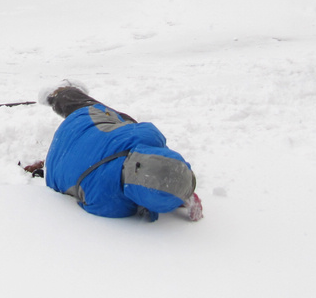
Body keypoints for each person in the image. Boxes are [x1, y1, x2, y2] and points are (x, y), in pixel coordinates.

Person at [38, 84, 202, 222]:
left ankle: (61, 95)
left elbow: (149, 136)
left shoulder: (148, 136)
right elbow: (137, 199)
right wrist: (167, 197)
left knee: (117, 119)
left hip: (80, 123)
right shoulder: (112, 206)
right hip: (54, 170)